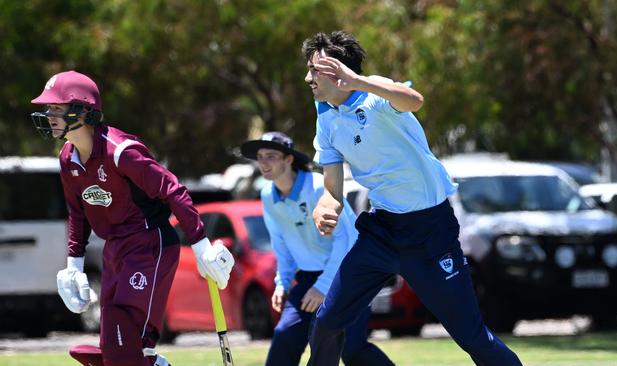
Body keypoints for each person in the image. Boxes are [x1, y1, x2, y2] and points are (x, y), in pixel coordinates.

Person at [301, 31, 523, 366]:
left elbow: (413, 100)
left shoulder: (373, 93)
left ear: (337, 71)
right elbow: (332, 189)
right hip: (382, 233)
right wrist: (324, 207)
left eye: (315, 70)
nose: (308, 78)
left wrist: (358, 81)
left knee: (472, 337)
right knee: (328, 323)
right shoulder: (326, 119)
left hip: (430, 232)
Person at [30, 70, 235, 366]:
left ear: (82, 110)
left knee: (121, 326)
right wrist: (73, 265)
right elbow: (77, 212)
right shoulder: (67, 158)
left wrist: (202, 245)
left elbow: (173, 190)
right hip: (115, 248)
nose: (49, 114)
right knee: (117, 340)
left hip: (149, 244)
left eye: (56, 107)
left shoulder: (120, 151)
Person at [240, 131, 394, 366]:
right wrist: (282, 283)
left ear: (288, 159)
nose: (263, 162)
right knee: (284, 337)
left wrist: (323, 286)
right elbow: (281, 243)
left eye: (271, 156)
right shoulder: (267, 196)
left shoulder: (316, 186)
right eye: (260, 156)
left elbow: (348, 238)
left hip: (348, 275)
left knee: (352, 349)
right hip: (309, 279)